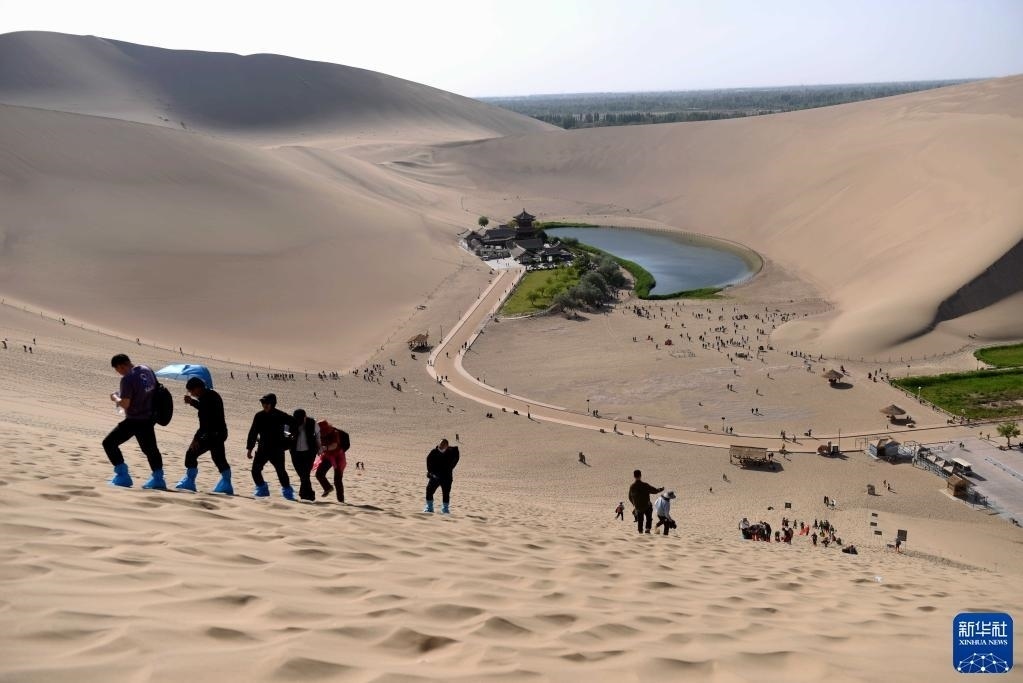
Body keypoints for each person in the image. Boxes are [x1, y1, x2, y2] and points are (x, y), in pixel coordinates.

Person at [102, 354, 165, 489]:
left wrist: (115, 397)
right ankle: (158, 479)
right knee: (151, 450)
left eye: (117, 369)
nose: (118, 372)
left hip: (135, 419)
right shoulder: (146, 369)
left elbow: (125, 404)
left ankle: (122, 476)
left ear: (121, 366)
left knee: (109, 443)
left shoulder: (127, 379)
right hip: (149, 418)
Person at [175, 377, 232, 494]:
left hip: (211, 434)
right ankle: (226, 484)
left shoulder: (206, 399)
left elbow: (205, 424)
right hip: (221, 433)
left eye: (191, 391)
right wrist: (192, 402)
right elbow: (205, 408)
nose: (191, 393)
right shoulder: (212, 395)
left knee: (191, 454)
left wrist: (195, 439)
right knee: (219, 458)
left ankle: (189, 482)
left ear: (198, 388)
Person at [246, 393, 294, 499]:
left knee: (281, 472)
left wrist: (288, 439)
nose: (265, 405)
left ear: (273, 404)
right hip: (262, 449)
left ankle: (288, 493)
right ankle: (262, 490)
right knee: (255, 471)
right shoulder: (259, 416)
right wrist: (250, 448)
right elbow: (253, 432)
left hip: (277, 450)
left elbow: (293, 424)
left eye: (267, 403)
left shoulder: (281, 415)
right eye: (263, 403)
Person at [289, 409, 320, 501]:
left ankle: (304, 495)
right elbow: (285, 434)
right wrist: (291, 436)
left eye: (301, 419)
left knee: (305, 474)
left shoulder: (312, 422)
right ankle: (309, 494)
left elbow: (318, 435)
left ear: (305, 417)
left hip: (310, 452)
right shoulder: (290, 423)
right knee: (302, 474)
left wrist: (320, 448)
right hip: (295, 452)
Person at [424, 438, 460, 514]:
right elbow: (428, 462)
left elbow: (456, 459)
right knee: (429, 491)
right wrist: (431, 472)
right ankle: (429, 508)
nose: (441, 445)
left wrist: (449, 468)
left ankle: (445, 510)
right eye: (440, 444)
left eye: (443, 444)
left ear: (447, 446)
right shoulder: (434, 452)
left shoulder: (451, 452)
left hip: (447, 477)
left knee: (446, 493)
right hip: (435, 477)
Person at [314, 421, 347, 502]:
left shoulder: (334, 433)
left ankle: (341, 500)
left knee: (337, 480)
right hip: (328, 456)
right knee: (319, 474)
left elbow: (334, 445)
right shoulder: (318, 434)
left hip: (338, 457)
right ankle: (328, 488)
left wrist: (325, 448)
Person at [628, 470, 663, 534]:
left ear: (634, 476)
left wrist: (634, 504)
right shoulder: (645, 485)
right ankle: (647, 529)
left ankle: (640, 531)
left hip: (638, 507)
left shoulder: (632, 486)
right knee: (649, 517)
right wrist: (660, 489)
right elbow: (654, 491)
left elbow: (630, 497)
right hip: (646, 505)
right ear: (640, 476)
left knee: (640, 519)